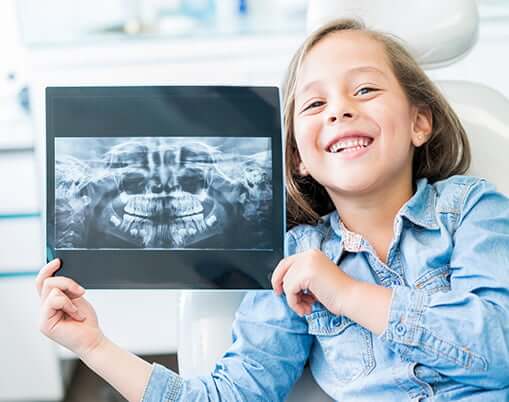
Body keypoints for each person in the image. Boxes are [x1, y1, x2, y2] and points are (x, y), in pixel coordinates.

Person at [36, 18, 509, 401]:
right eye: (315, 103)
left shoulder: (470, 210)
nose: (338, 110)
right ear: (298, 157)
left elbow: (500, 346)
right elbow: (231, 396)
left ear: (419, 122)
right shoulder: (293, 260)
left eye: (364, 90)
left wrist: (345, 293)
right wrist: (93, 346)